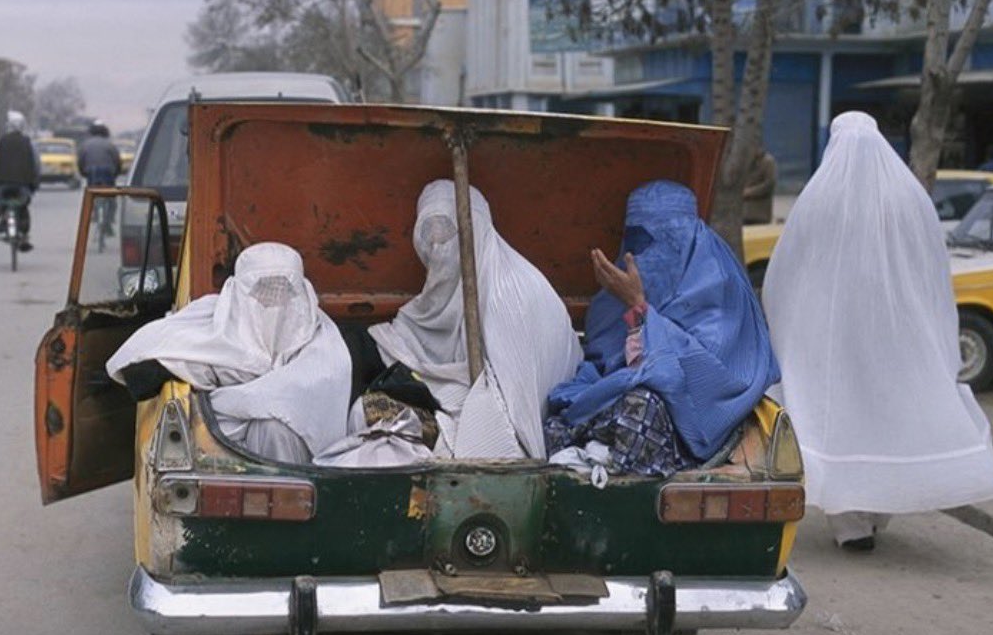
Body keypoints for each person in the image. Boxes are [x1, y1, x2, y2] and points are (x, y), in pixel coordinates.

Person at [762, 111, 993, 551]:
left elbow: (789, 269)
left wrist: (791, 322)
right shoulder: (910, 198)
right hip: (893, 330)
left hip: (835, 334)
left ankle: (852, 525)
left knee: (841, 416)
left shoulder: (819, 198)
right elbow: (932, 266)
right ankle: (876, 507)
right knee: (885, 412)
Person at [545, 180, 780, 476]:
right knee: (558, 417)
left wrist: (639, 306)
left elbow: (706, 382)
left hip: (692, 430)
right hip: (624, 415)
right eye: (632, 242)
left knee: (641, 405)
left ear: (681, 238)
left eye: (647, 242)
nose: (637, 255)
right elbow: (603, 366)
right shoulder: (613, 299)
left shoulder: (720, 292)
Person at [366, 179, 582, 459]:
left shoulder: (509, 293)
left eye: (447, 232)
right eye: (429, 236)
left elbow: (517, 420)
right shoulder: (448, 295)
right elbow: (416, 332)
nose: (438, 248)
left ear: (475, 228)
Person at [106, 242, 351, 463]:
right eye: (263, 290)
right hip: (221, 454)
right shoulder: (215, 325)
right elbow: (147, 361)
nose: (274, 301)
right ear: (237, 291)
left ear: (302, 292)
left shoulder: (323, 341)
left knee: (274, 429)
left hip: (305, 465)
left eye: (284, 290)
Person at [0, 110, 40, 252]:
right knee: (23, 206)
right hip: (23, 184)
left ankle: (4, 219)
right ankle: (23, 234)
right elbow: (36, 164)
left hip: (1, 184)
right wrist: (35, 183)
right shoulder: (29, 143)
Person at [78, 121, 122, 188]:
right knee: (108, 192)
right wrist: (115, 173)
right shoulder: (109, 144)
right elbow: (117, 160)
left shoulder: (85, 145)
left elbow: (81, 161)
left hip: (91, 171)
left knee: (93, 192)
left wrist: (84, 172)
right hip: (107, 172)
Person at [742, 148, 777, 225]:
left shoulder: (768, 162)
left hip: (760, 215)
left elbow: (769, 184)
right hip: (743, 214)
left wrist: (749, 192)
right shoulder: (745, 161)